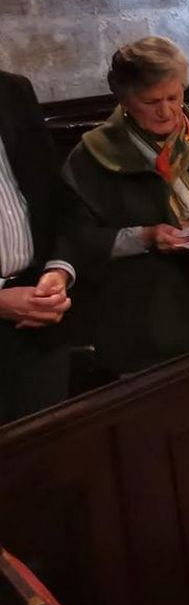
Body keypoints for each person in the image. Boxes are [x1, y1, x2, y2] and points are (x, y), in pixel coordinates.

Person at [63, 37, 189, 376]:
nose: (167, 110)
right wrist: (143, 236)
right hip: (150, 323)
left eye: (174, 97)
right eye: (151, 101)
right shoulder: (93, 155)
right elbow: (76, 239)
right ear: (126, 100)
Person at [0, 70, 77, 421]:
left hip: (38, 315)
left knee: (46, 459)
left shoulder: (12, 91)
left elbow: (57, 201)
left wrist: (58, 269)